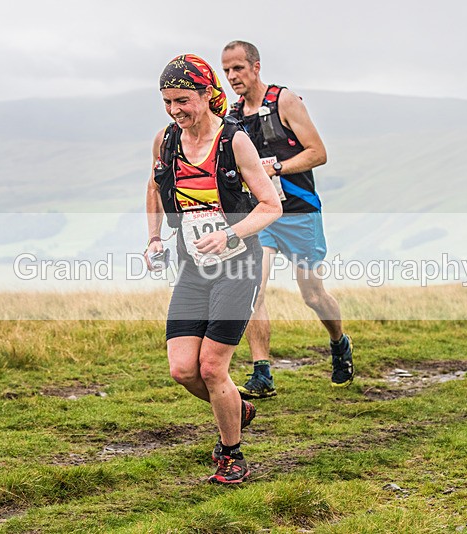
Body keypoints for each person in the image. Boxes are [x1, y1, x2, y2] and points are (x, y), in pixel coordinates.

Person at [145, 54, 281, 483]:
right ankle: (237, 409)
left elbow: (271, 205)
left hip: (238, 266)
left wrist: (231, 234)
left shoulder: (234, 141)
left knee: (211, 368)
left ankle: (231, 453)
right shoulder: (166, 141)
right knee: (182, 369)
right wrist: (153, 239)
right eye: (167, 102)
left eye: (183, 100)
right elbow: (152, 188)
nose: (175, 110)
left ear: (206, 93)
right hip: (193, 267)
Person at [220, 40, 354, 399]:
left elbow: (318, 152)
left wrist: (276, 167)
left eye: (238, 68)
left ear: (256, 66)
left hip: (298, 211)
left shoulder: (284, 101)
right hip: (261, 216)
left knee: (312, 295)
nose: (232, 76)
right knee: (253, 288)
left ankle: (339, 342)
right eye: (227, 70)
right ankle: (262, 373)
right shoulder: (233, 117)